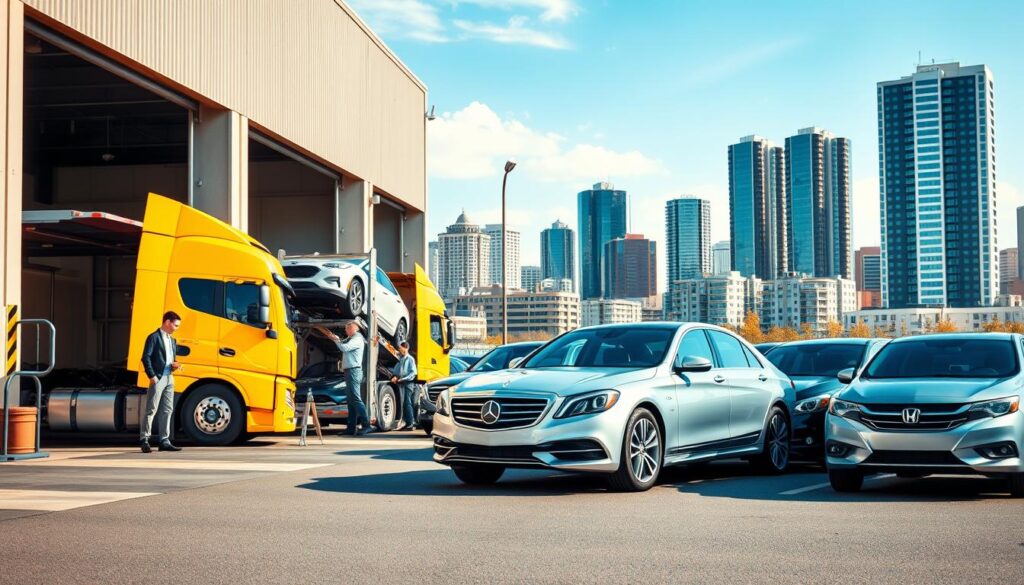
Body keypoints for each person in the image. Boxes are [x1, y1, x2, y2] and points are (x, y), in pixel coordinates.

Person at [139, 311, 184, 453]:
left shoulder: (172, 340)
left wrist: (175, 365)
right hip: (158, 378)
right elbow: (146, 357)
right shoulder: (153, 337)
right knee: (151, 409)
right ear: (167, 322)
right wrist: (152, 375)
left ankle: (164, 440)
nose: (177, 328)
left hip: (170, 377)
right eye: (175, 325)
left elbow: (169, 359)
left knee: (167, 410)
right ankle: (144, 440)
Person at [324, 322, 371, 436]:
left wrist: (336, 340)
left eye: (346, 329)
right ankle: (351, 428)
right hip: (350, 371)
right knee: (351, 401)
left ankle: (366, 425)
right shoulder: (352, 339)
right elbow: (343, 344)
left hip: (353, 371)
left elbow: (344, 348)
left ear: (353, 329)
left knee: (356, 398)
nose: (345, 331)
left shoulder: (357, 339)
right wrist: (336, 339)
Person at [391, 341, 418, 431]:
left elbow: (413, 373)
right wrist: (395, 376)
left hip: (408, 383)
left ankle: (411, 423)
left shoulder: (410, 359)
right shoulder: (401, 359)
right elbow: (397, 370)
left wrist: (402, 379)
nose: (399, 349)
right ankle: (407, 422)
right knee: (404, 403)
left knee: (407, 403)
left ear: (406, 348)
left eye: (400, 348)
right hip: (402, 383)